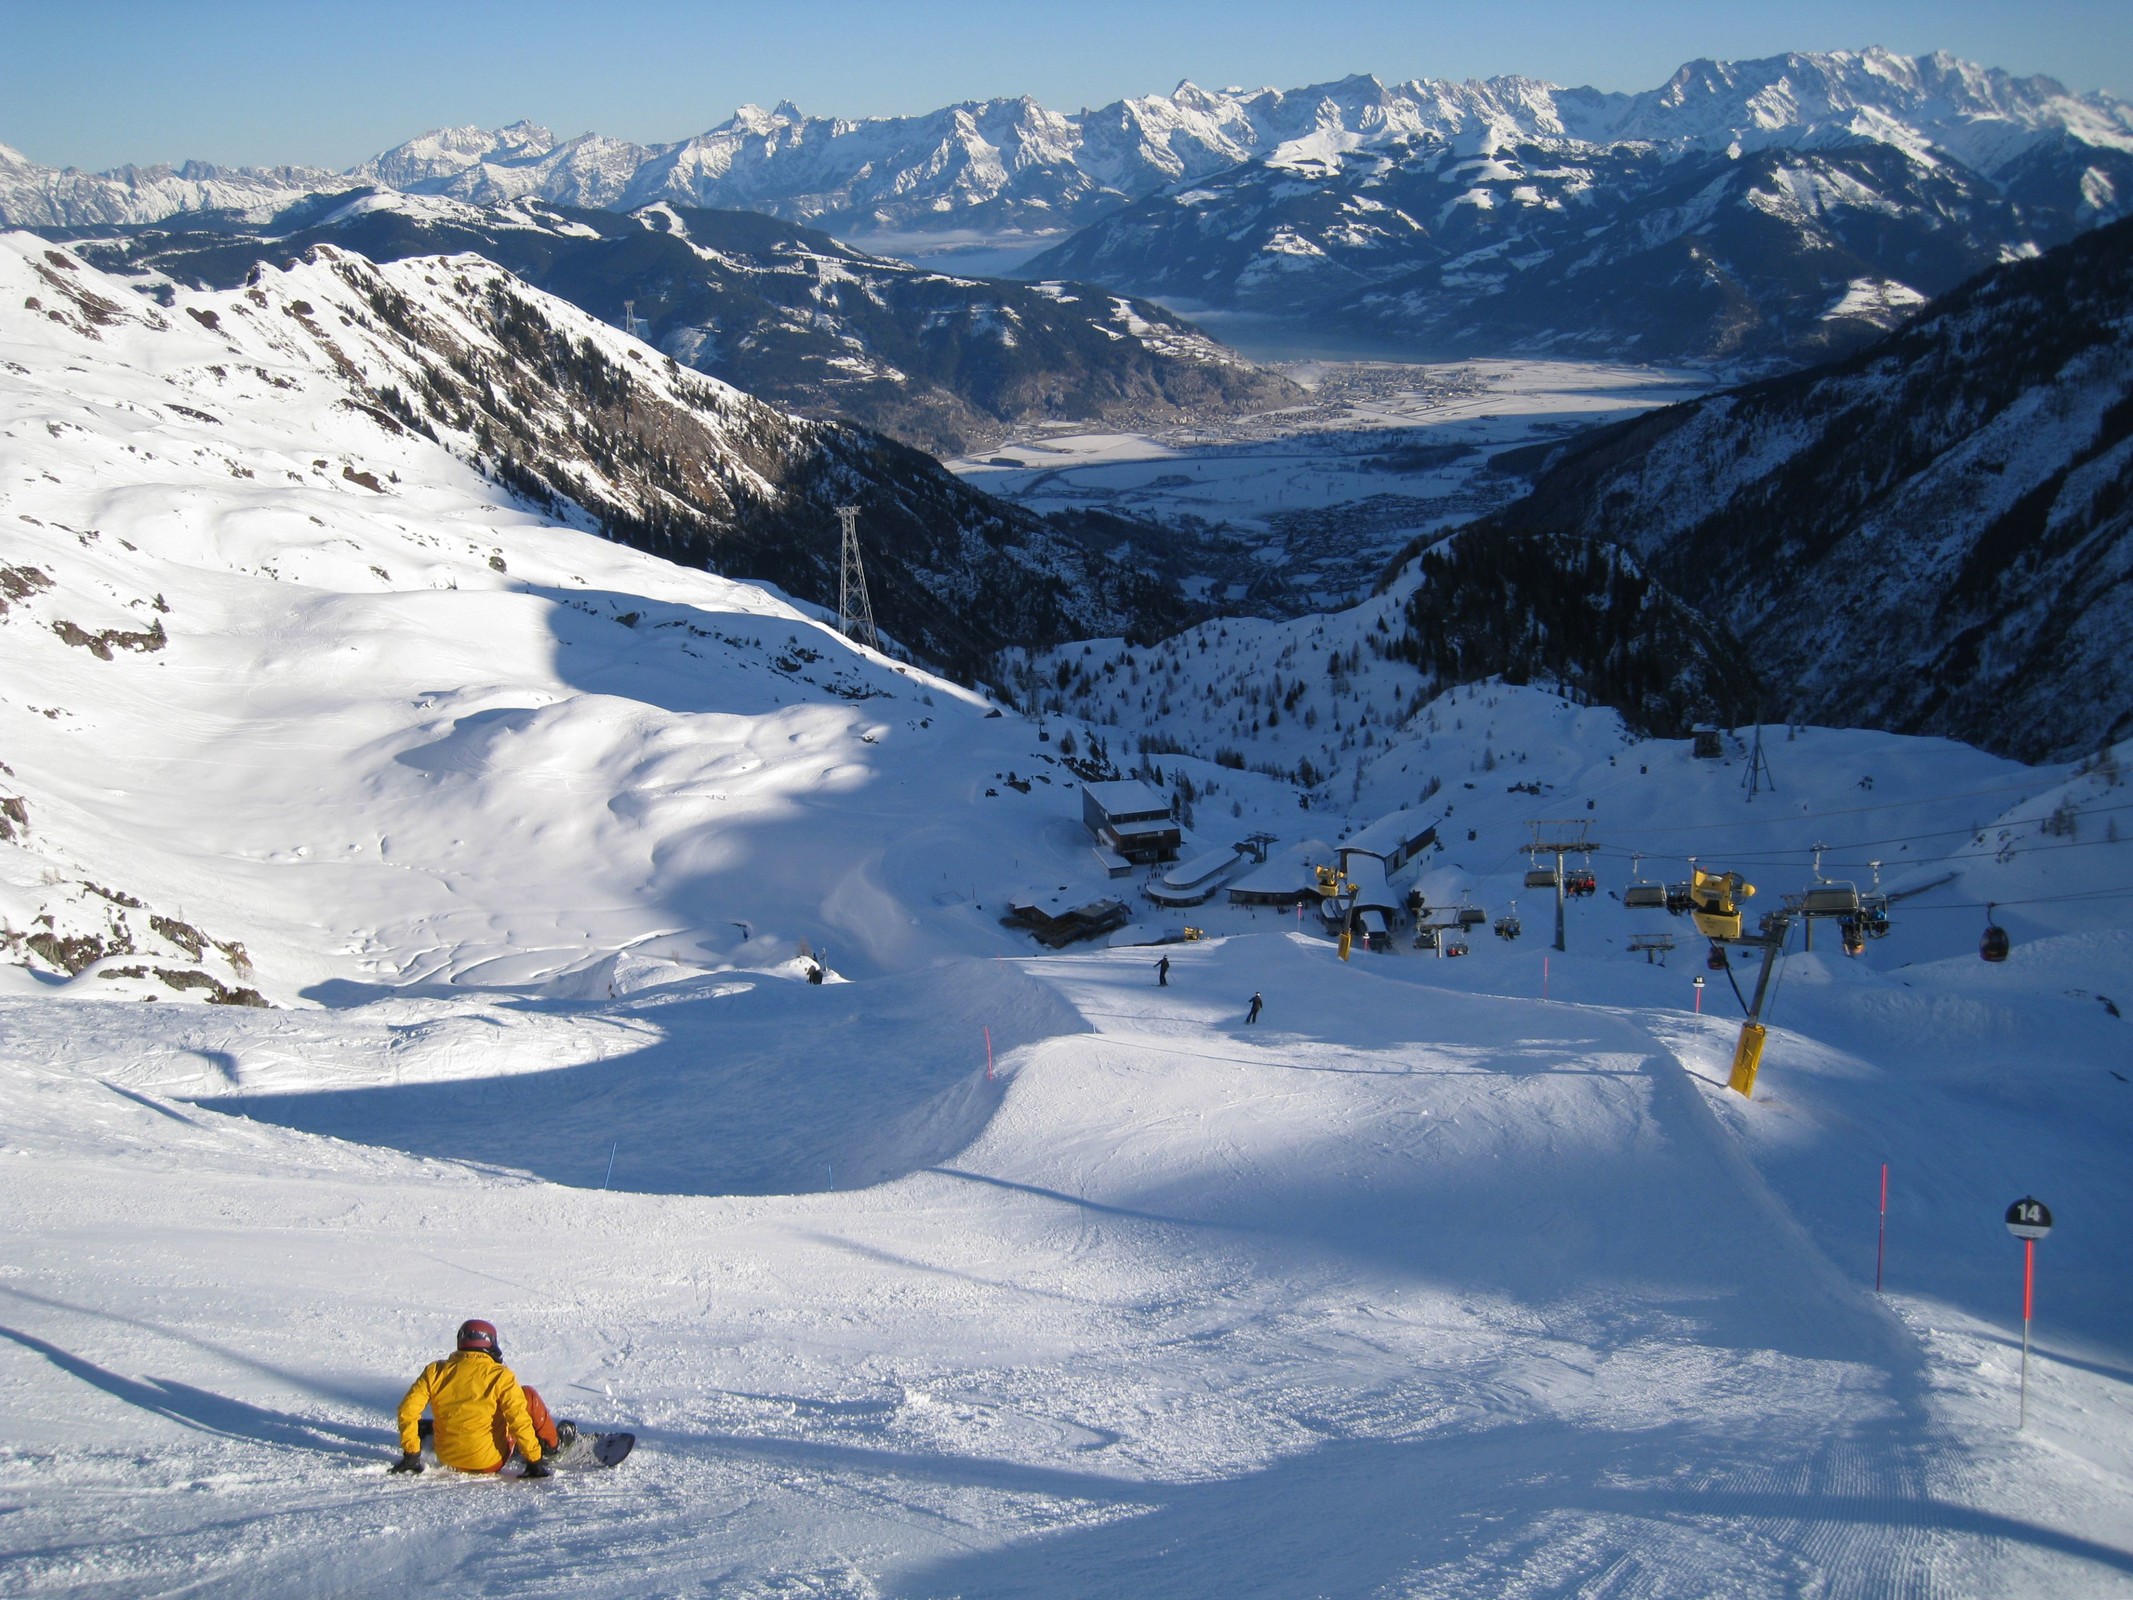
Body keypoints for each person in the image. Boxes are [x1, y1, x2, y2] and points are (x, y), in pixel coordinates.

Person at [391, 1318, 563, 1477]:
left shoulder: (435, 1371)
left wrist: (411, 1454)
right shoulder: (500, 1375)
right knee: (527, 1395)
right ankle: (552, 1445)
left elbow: (407, 1410)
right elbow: (518, 1419)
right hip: (490, 1462)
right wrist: (534, 1461)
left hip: (448, 1458)